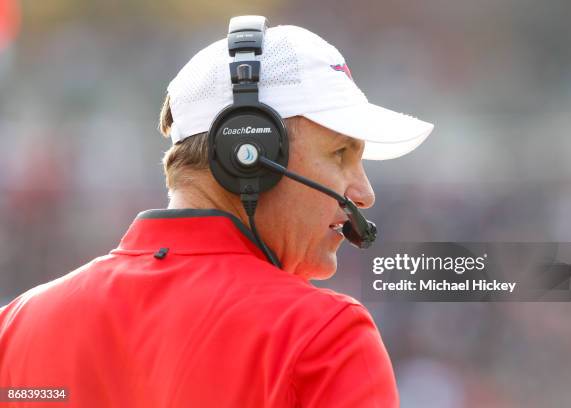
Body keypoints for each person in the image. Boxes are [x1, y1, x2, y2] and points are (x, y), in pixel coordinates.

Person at [0, 17, 433, 407]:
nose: (364, 193)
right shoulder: (324, 338)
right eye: (340, 153)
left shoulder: (16, 327)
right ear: (250, 152)